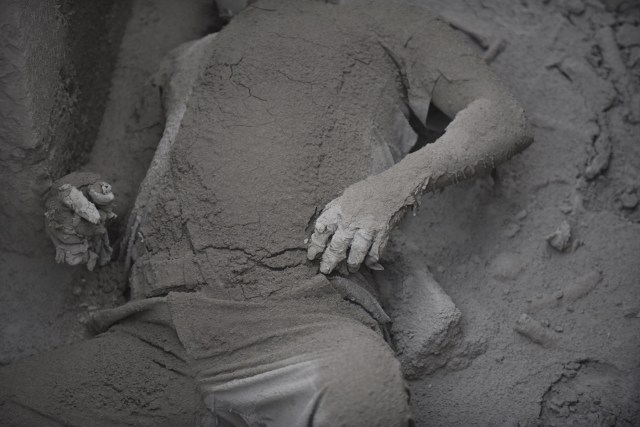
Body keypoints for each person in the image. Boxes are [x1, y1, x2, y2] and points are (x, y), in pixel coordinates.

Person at [0, 1, 532, 425]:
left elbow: (500, 114)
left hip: (303, 321)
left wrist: (392, 186)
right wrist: (79, 202)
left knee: (362, 400)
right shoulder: (184, 60)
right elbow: (114, 183)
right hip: (160, 336)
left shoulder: (385, 22)